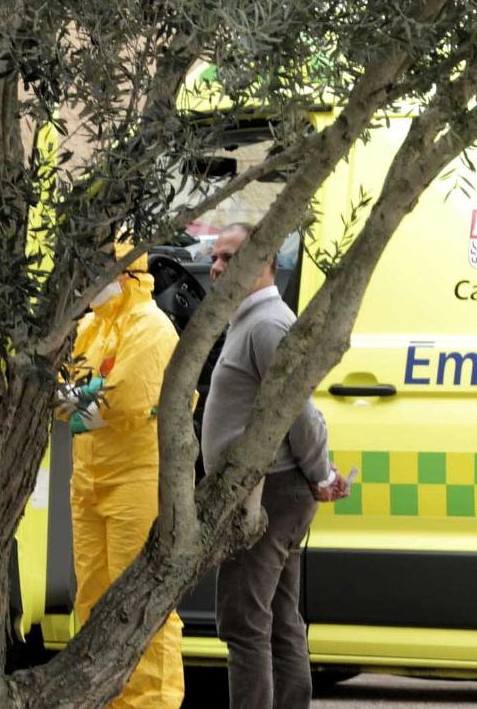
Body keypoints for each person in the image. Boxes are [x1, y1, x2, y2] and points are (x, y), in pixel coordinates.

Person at [202, 222, 351, 709]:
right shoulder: (250, 319)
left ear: (265, 261)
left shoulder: (266, 325)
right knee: (280, 618)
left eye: (230, 258)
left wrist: (321, 472)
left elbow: (298, 411)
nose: (216, 267)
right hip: (272, 490)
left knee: (245, 623)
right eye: (216, 258)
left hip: (267, 493)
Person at [58, 247, 185, 708]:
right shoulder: (91, 328)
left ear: (125, 272)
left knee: (142, 602)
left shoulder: (151, 329)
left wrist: (80, 401)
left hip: (136, 479)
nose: (88, 281)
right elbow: (63, 398)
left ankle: (150, 703)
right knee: (92, 597)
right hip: (89, 478)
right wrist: (87, 398)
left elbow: (127, 401)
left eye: (96, 270)